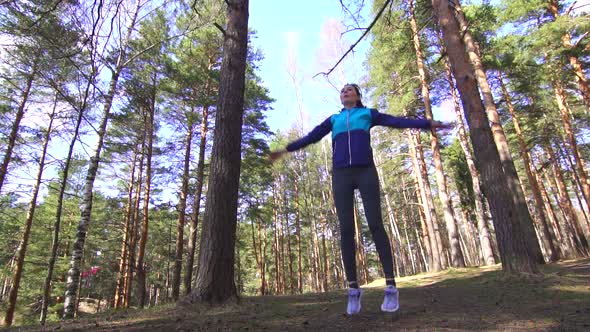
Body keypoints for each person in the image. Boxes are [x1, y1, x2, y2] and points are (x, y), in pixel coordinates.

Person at [269, 83, 452, 315]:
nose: (345, 92)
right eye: (343, 90)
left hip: (365, 171)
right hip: (341, 175)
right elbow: (311, 137)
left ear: (357, 96)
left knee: (376, 225)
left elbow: (397, 121)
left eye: (350, 89)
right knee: (346, 230)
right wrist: (286, 150)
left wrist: (428, 124)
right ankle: (353, 290)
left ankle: (391, 286)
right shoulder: (334, 119)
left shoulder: (367, 114)